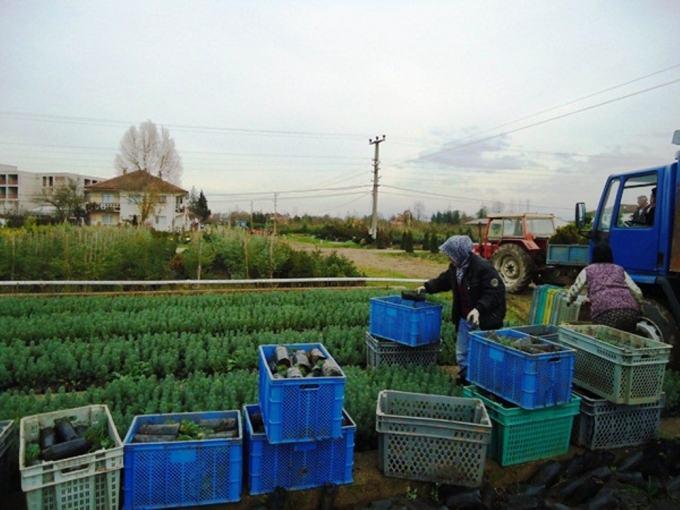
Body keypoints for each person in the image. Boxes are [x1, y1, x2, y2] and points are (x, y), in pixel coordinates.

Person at [417, 235, 506, 380]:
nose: (449, 258)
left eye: (450, 255)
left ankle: (485, 382)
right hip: (465, 316)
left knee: (483, 353)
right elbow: (443, 281)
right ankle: (466, 378)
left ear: (459, 254)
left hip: (484, 319)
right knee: (462, 352)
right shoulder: (455, 268)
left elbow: (494, 292)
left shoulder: (483, 268)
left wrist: (479, 309)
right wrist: (426, 287)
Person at [566, 242, 643, 332]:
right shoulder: (619, 269)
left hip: (604, 313)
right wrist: (640, 305)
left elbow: (575, 289)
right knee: (625, 341)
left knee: (604, 341)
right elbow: (637, 291)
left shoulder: (588, 270)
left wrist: (569, 300)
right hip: (630, 312)